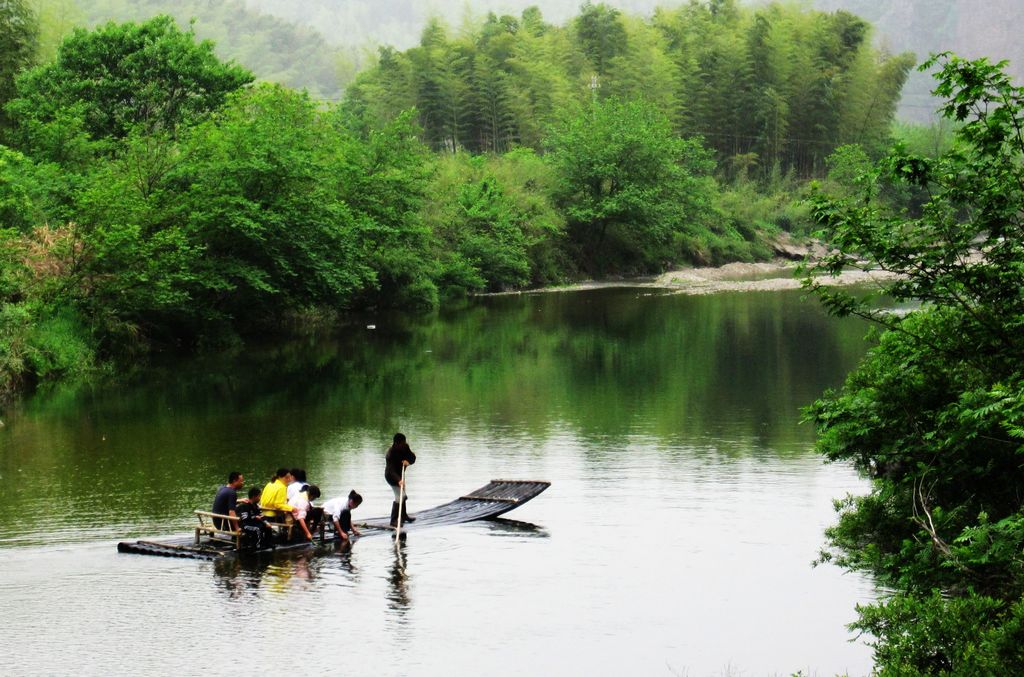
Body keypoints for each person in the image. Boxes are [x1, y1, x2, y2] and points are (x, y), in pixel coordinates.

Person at [385, 433, 416, 527]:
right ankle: (393, 520)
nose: (404, 445)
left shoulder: (405, 447)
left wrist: (408, 462)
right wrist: (398, 480)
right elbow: (391, 470)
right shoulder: (390, 453)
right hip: (391, 477)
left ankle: (404, 516)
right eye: (402, 443)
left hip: (400, 475)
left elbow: (412, 457)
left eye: (404, 443)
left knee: (403, 496)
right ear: (396, 443)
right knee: (401, 497)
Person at [236, 487, 274, 551]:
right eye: (259, 496)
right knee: (257, 529)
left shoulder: (256, 506)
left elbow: (261, 515)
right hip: (245, 525)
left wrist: (266, 522)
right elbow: (244, 518)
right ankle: (257, 546)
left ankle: (268, 543)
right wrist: (254, 517)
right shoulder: (244, 506)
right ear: (254, 496)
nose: (260, 498)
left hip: (254, 523)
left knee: (267, 527)